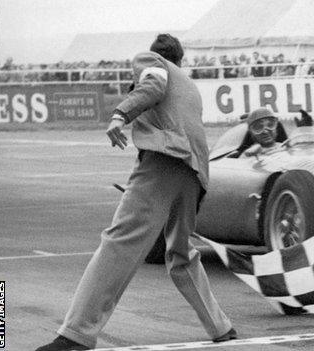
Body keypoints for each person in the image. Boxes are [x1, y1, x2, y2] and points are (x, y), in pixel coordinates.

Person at [35, 34, 235, 351]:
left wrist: (120, 114)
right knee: (182, 255)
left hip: (164, 163)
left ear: (161, 56)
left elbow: (152, 85)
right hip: (195, 175)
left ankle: (76, 334)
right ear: (181, 59)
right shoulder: (190, 85)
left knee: (120, 242)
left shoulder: (151, 61)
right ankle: (221, 327)